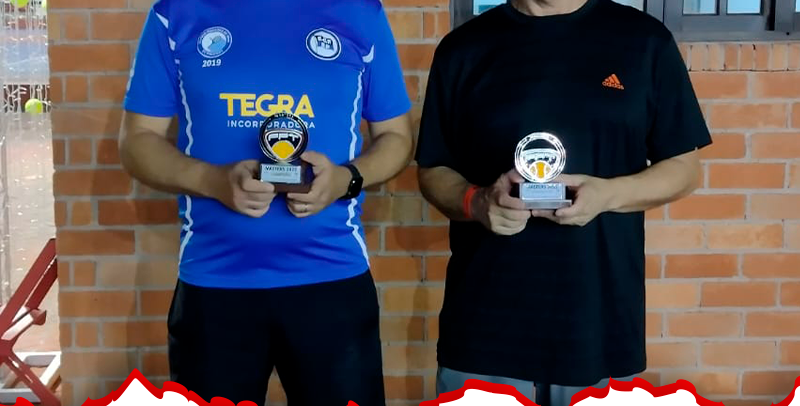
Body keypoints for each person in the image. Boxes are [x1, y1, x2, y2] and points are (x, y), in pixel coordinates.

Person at [415, 0, 711, 405]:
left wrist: (607, 195)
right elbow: (433, 169)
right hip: (484, 330)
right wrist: (476, 202)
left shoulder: (644, 41)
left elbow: (684, 169)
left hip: (598, 327)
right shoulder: (463, 48)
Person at [118, 1, 413, 405]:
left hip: (331, 279)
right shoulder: (176, 12)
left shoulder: (360, 12)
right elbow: (137, 141)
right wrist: (212, 181)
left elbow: (397, 136)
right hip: (215, 285)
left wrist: (345, 180)